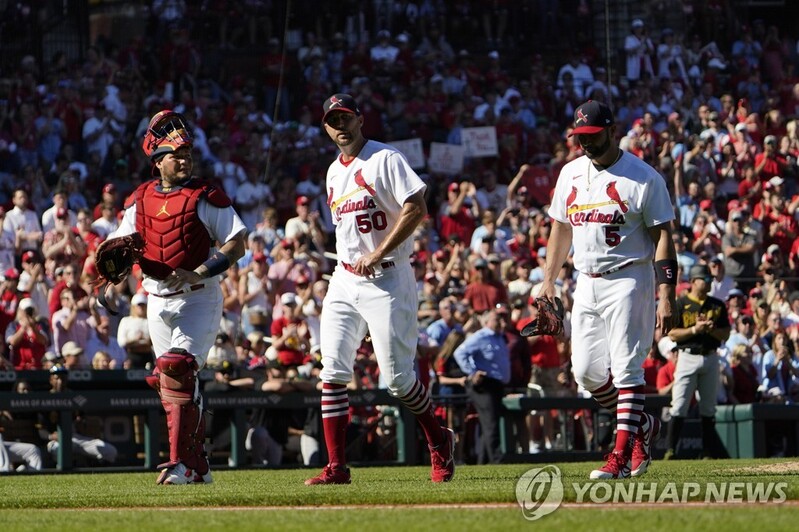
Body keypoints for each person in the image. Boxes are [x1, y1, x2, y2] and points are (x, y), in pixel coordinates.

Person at [305, 94, 454, 486]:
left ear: (359, 120)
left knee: (398, 381)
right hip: (344, 276)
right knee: (333, 371)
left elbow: (417, 207)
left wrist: (379, 252)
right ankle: (337, 467)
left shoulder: (385, 158)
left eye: (346, 118)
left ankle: (439, 440)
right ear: (325, 127)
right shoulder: (332, 171)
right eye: (332, 120)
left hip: (388, 276)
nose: (340, 125)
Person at [538, 100, 677, 479]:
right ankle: (642, 426)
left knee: (627, 370)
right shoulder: (569, 173)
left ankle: (617, 456)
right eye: (581, 137)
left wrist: (667, 294)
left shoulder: (643, 177)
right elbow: (561, 228)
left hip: (630, 276)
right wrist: (549, 280)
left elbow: (663, 236)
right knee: (585, 372)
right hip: (586, 280)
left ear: (612, 131)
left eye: (593, 136)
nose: (586, 143)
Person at [107, 109, 246, 485]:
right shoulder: (139, 199)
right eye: (175, 155)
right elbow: (118, 245)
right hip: (155, 297)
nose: (184, 160)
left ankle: (178, 465)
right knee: (173, 387)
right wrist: (111, 279)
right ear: (157, 160)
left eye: (187, 154)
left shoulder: (206, 195)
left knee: (177, 367)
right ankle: (197, 465)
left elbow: (237, 243)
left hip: (198, 295)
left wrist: (201, 271)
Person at [666, 264, 730, 459]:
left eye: (710, 279)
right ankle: (670, 450)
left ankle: (708, 451)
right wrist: (695, 329)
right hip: (687, 356)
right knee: (679, 405)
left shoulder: (717, 305)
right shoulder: (681, 303)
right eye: (706, 279)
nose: (710, 282)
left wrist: (710, 329)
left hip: (710, 356)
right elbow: (672, 334)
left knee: (709, 408)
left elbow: (725, 334)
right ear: (694, 281)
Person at [453, 305, 511, 464]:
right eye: (496, 318)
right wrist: (472, 372)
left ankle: (483, 461)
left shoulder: (499, 337)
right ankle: (497, 460)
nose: (500, 321)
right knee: (491, 422)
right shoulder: (481, 336)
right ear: (486, 322)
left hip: (497, 385)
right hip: (484, 384)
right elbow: (459, 353)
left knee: (490, 423)